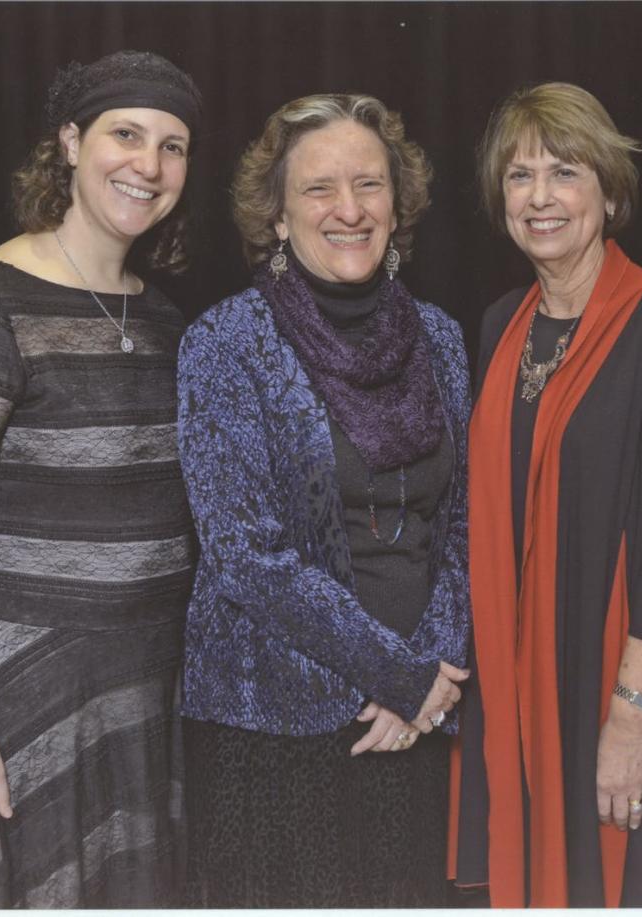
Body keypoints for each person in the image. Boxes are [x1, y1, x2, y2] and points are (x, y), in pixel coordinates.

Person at [0, 51, 202, 907]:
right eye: (126, 134)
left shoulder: (167, 315)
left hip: (144, 689)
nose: (148, 165)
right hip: (20, 700)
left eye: (173, 146)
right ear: (70, 143)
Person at [176, 93, 471, 907]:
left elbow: (468, 525)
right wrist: (398, 674)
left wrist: (433, 680)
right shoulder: (224, 343)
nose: (349, 209)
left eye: (369, 185)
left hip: (410, 725)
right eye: (318, 189)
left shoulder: (441, 338)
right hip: (270, 726)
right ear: (275, 217)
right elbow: (245, 556)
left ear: (398, 203)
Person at [450, 81, 642, 907]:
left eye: (563, 173)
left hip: (616, 693)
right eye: (519, 176)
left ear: (607, 189)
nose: (539, 197)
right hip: (517, 692)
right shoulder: (500, 325)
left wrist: (630, 721)